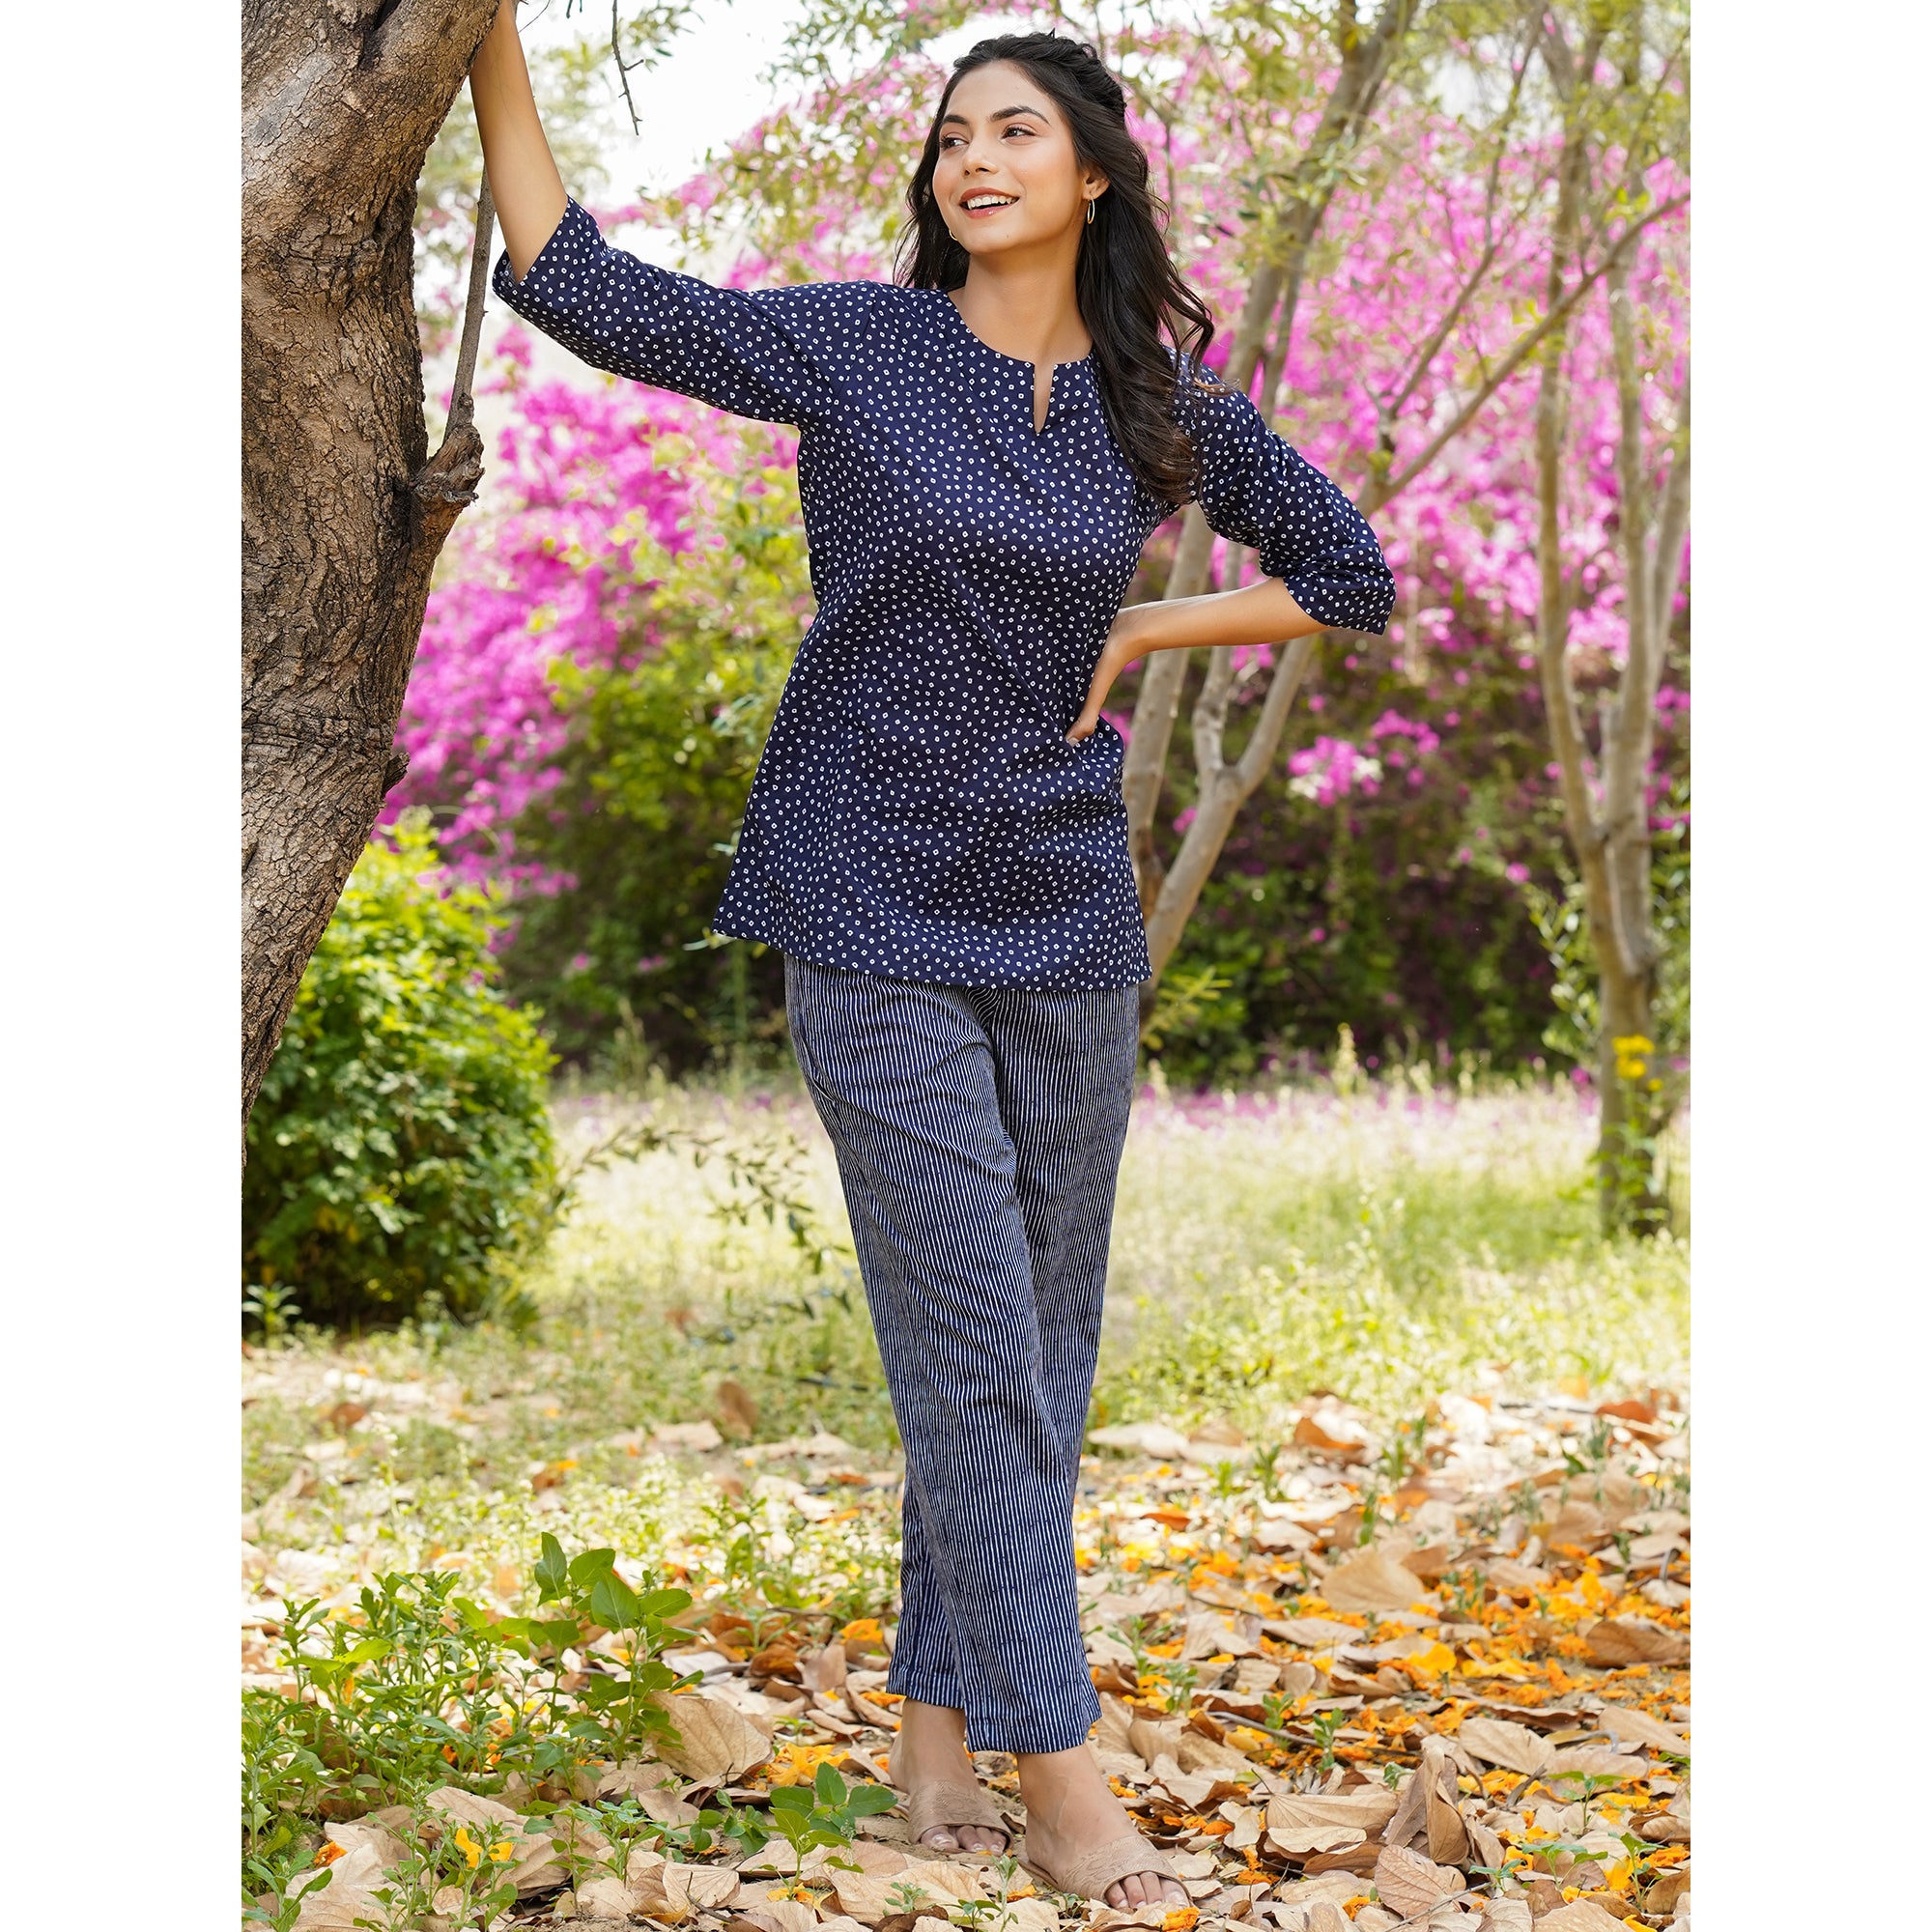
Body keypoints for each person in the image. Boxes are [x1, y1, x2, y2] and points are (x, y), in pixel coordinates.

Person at [469, 9, 1394, 1907]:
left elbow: (1347, 575)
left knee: (1030, 1354)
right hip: (865, 894)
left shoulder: (1154, 409)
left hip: (1062, 921)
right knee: (973, 1341)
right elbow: (582, 285)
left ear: (1095, 174)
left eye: (1016, 132)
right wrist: (487, 39)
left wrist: (1141, 642)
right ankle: (1062, 1777)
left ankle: (926, 1735)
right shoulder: (864, 348)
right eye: (952, 134)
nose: (972, 159)